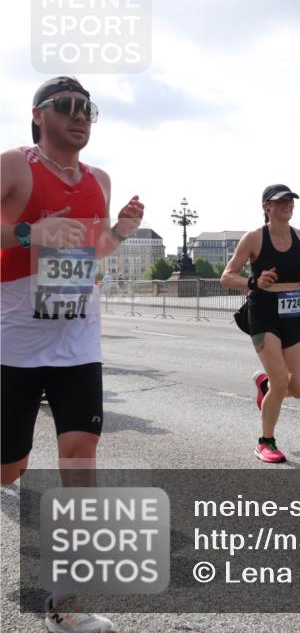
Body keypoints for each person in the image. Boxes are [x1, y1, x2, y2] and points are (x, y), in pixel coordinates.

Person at [2, 76, 144, 633]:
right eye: (66, 106)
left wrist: (123, 233)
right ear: (38, 115)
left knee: (81, 461)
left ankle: (66, 603)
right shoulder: (15, 167)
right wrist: (28, 233)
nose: (79, 115)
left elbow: (93, 245)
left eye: (88, 108)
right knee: (9, 473)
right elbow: (27, 234)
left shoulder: (99, 179)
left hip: (76, 343)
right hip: (12, 343)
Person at [220, 185, 300, 463]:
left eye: (290, 201)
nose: (288, 205)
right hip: (263, 313)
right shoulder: (253, 238)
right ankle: (266, 441)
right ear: (267, 207)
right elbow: (227, 277)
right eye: (281, 201)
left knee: (299, 388)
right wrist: (254, 281)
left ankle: (264, 387)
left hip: (294, 313)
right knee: (280, 381)